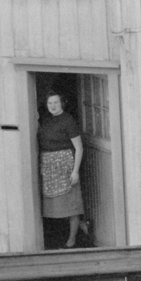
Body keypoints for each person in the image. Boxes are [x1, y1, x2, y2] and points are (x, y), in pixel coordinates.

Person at [36, 91, 88, 248]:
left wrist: (75, 171)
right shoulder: (45, 120)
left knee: (71, 205)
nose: (52, 106)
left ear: (62, 104)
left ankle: (72, 239)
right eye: (50, 103)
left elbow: (79, 148)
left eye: (56, 103)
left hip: (66, 165)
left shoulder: (68, 121)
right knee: (56, 205)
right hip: (49, 166)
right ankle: (80, 225)